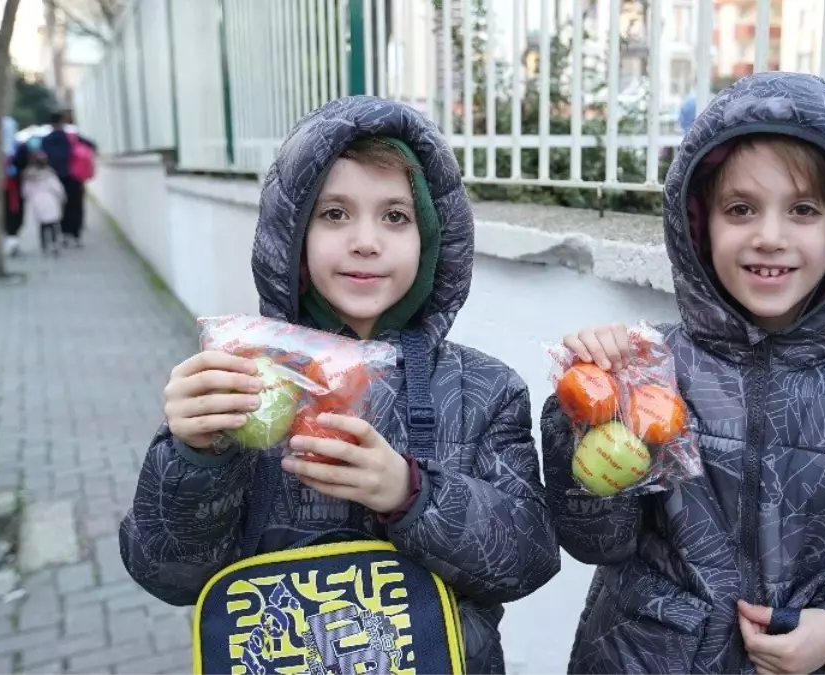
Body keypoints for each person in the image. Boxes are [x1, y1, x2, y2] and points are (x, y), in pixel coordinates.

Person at [119, 97, 561, 674]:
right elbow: (167, 573)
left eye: (395, 217)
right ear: (292, 237)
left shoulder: (484, 390)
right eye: (334, 214)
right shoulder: (243, 382)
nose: (365, 241)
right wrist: (193, 456)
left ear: (431, 242)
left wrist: (412, 494)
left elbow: (526, 559)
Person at [543, 72, 825, 675]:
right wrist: (587, 412)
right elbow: (597, 542)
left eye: (803, 209)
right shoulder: (648, 369)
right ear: (698, 225)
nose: (769, 236)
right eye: (741, 209)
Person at [39, 109, 97, 247]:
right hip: (74, 175)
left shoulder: (46, 140)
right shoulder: (72, 136)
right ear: (62, 121)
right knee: (76, 204)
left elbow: (42, 158)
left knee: (60, 205)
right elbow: (92, 146)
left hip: (54, 177)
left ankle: (63, 233)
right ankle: (75, 233)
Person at [19, 150, 66, 256]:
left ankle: (44, 245)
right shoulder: (50, 174)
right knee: (53, 223)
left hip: (37, 201)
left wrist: (27, 198)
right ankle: (54, 243)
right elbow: (58, 188)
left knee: (42, 225)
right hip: (50, 200)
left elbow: (26, 191)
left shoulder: (28, 176)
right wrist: (62, 198)